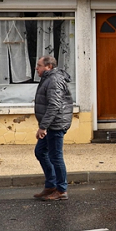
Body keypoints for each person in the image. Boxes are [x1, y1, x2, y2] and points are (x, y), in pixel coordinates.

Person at [32, 55, 74, 201]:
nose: (36, 68)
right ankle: (51, 185)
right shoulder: (48, 78)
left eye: (39, 65)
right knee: (40, 151)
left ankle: (61, 190)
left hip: (55, 124)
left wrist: (43, 127)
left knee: (55, 157)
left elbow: (54, 105)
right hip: (51, 124)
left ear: (48, 66)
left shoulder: (54, 80)